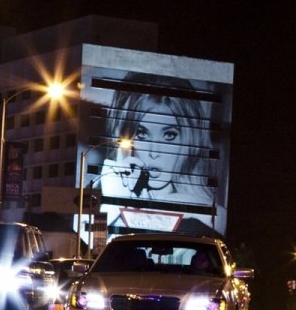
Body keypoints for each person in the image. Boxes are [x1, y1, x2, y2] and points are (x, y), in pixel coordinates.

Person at [91, 73, 216, 232]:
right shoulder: (103, 189)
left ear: (188, 141)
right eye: (142, 134)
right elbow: (93, 249)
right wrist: (112, 202)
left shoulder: (206, 214)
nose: (154, 152)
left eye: (169, 136)